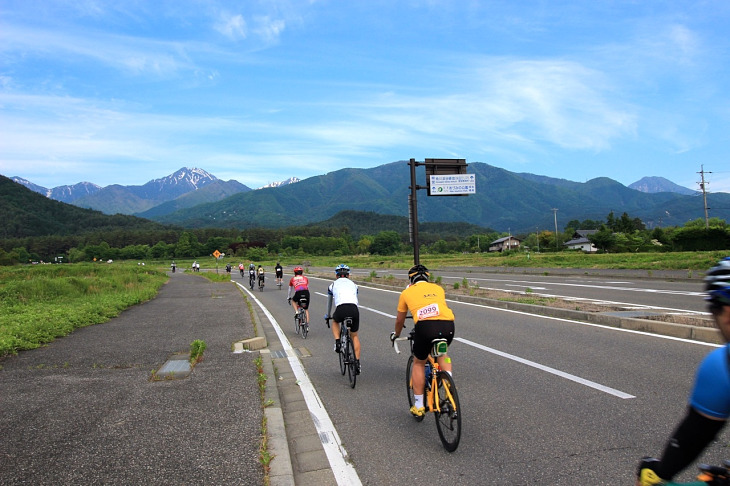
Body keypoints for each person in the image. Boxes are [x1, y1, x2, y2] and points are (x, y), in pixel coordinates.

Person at [636, 257, 730, 485]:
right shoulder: (722, 365)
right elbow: (695, 436)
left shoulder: (723, 365)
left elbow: (694, 437)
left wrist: (658, 474)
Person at [390, 264, 455, 418]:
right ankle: (448, 384)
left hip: (426, 328)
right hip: (448, 326)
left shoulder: (406, 292)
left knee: (419, 362)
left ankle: (419, 405)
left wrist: (396, 334)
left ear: (411, 280)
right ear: (427, 278)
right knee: (443, 354)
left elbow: (400, 320)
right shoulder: (438, 288)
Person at [324, 264, 361, 374]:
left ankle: (337, 342)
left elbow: (329, 302)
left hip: (341, 308)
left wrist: (328, 315)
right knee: (354, 336)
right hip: (354, 309)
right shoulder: (354, 285)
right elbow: (354, 297)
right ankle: (357, 363)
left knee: (335, 321)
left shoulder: (332, 285)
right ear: (348, 275)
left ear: (336, 275)